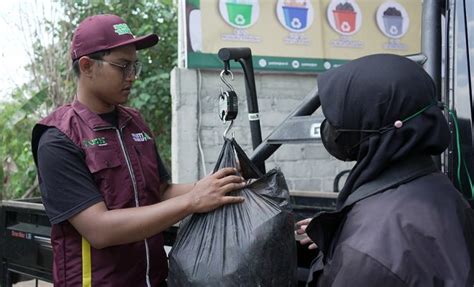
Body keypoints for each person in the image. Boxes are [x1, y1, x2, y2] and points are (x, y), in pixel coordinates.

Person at [31, 14, 246, 286]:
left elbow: (160, 191)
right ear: (86, 66)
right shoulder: (58, 139)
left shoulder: (134, 123)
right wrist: (192, 201)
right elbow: (99, 229)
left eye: (135, 66)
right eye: (122, 66)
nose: (132, 76)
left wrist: (218, 183)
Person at [296, 54, 474, 286]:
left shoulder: (367, 254)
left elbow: (382, 257)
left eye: (339, 115)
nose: (330, 127)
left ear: (374, 120)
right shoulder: (438, 189)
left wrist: (354, 247)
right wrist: (340, 239)